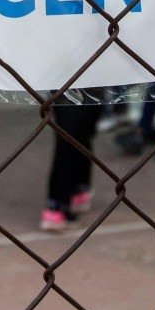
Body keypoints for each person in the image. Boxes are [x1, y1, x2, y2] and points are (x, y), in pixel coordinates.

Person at [41, 97, 102, 231]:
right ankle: (57, 202)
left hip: (95, 85)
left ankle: (80, 186)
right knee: (68, 131)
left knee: (86, 126)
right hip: (63, 86)